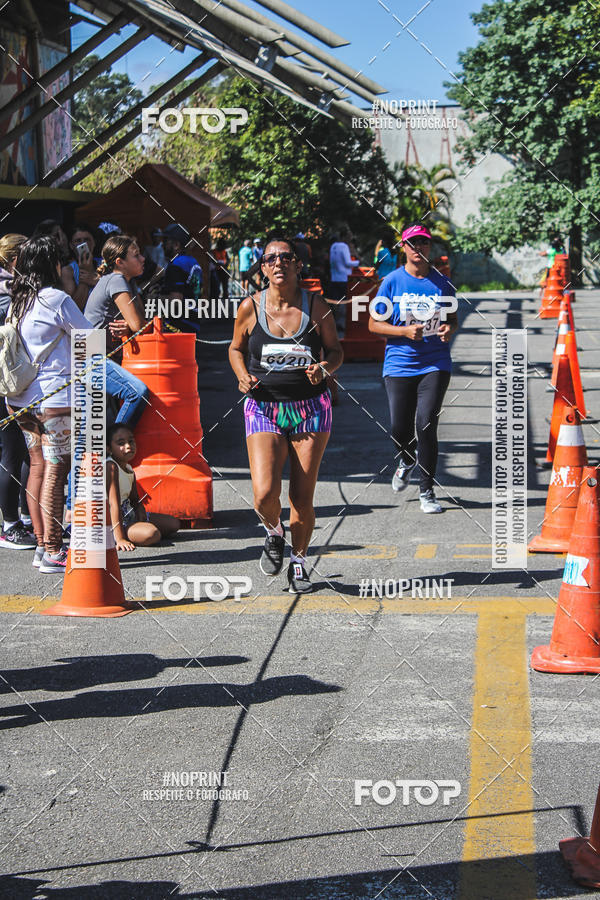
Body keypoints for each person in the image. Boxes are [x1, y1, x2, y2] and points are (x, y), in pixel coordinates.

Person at [228, 235, 343, 592]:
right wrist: (242, 375)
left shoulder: (316, 305)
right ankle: (274, 532)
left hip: (310, 409)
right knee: (264, 494)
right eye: (270, 258)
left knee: (301, 496)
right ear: (262, 268)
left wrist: (324, 367)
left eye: (285, 257)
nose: (278, 263)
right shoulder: (250, 307)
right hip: (263, 407)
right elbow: (235, 348)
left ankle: (299, 563)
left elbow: (336, 351)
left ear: (297, 265)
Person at [6, 236, 92, 573]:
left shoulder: (19, 301)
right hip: (55, 400)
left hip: (21, 401)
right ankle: (56, 549)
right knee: (57, 470)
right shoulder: (56, 298)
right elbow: (88, 339)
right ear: (52, 265)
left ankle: (43, 546)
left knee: (38, 467)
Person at [368, 223, 458, 513]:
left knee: (427, 423)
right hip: (399, 364)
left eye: (424, 243)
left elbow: (452, 321)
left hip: (435, 362)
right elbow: (373, 324)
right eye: (413, 243)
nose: (419, 248)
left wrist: (447, 330)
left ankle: (427, 492)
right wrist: (404, 333)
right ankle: (406, 460)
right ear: (404, 248)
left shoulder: (442, 284)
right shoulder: (392, 282)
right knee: (399, 428)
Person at [84, 234, 150, 428]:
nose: (142, 258)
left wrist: (131, 326)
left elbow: (139, 324)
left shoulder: (126, 282)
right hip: (90, 355)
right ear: (120, 262)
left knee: (93, 430)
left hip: (95, 353)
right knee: (137, 392)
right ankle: (118, 444)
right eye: (136, 255)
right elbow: (140, 326)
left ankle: (114, 448)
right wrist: (133, 326)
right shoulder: (116, 279)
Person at [0, 233, 36, 550]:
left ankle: (24, 518)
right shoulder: (8, 288)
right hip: (5, 380)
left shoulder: (19, 285)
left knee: (24, 450)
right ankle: (10, 524)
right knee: (11, 450)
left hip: (17, 379)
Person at [106, 423, 180, 550]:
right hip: (115, 522)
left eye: (131, 441)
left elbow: (134, 498)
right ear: (109, 449)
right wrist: (120, 539)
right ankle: (117, 535)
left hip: (129, 515)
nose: (128, 446)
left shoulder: (129, 468)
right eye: (121, 443)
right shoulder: (111, 467)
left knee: (174, 524)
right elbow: (113, 504)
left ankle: (136, 529)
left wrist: (140, 508)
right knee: (152, 534)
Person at [329, 228, 359, 333]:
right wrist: (358, 262)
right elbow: (347, 262)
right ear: (344, 237)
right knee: (345, 301)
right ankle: (342, 324)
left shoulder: (333, 246)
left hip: (334, 277)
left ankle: (336, 323)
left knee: (336, 302)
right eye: (348, 237)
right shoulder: (344, 246)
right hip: (344, 278)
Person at [163, 223, 203, 301]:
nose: (162, 245)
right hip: (195, 311)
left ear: (176, 245)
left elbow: (176, 300)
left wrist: (156, 298)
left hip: (181, 312)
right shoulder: (193, 261)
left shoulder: (176, 265)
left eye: (165, 241)